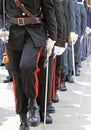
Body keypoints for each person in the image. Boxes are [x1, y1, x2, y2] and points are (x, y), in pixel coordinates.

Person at [0, 0, 57, 130]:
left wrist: (53, 36)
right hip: (12, 33)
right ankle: (23, 118)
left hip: (34, 32)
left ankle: (32, 104)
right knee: (18, 77)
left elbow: (48, 9)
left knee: (26, 66)